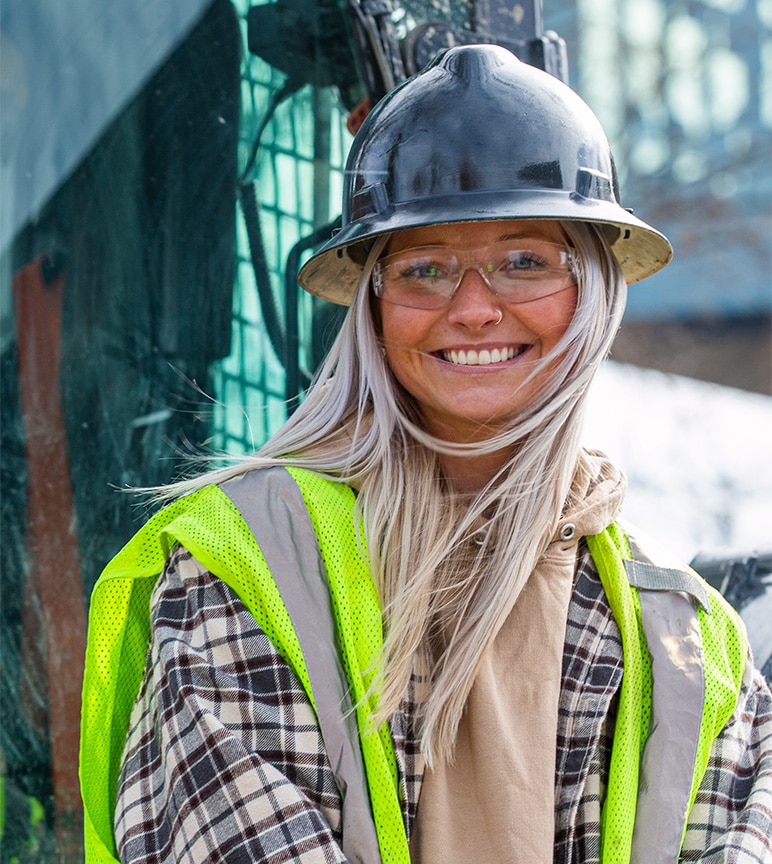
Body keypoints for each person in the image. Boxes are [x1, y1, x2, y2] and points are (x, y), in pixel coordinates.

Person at [79, 44, 772, 864]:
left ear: (594, 290)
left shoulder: (690, 641)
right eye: (425, 269)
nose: (474, 308)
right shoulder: (248, 561)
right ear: (372, 309)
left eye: (524, 262)